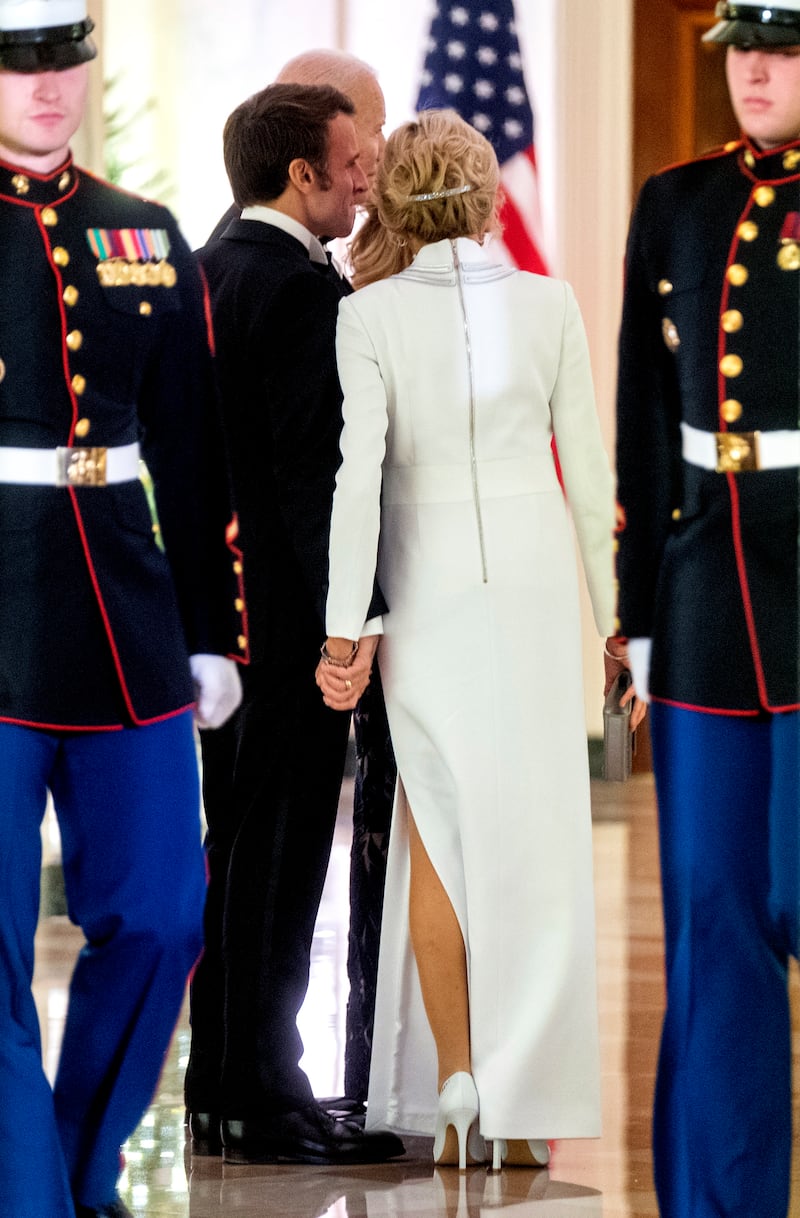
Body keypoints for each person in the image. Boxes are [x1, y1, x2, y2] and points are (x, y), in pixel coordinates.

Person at [317, 108, 616, 1171]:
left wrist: (341, 628)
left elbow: (358, 482)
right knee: (531, 841)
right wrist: (613, 615)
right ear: (488, 194)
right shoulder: (549, 304)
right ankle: (524, 1115)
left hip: (423, 589)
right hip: (534, 585)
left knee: (436, 835)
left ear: (393, 199)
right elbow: (587, 473)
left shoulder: (368, 316)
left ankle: (454, 1079)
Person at [0, 2, 245, 1216]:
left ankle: (68, 1170)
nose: (46, 88)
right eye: (16, 65)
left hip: (123, 620)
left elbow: (194, 457)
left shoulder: (140, 233)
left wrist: (212, 629)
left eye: (63, 61)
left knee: (158, 918)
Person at [183, 81, 402, 1167]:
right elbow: (314, 481)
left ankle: (220, 1085)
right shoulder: (297, 291)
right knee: (279, 862)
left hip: (223, 631)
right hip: (289, 635)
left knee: (238, 859)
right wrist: (345, 627)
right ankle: (269, 1097)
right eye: (350, 164)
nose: (365, 181)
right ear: (300, 175)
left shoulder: (205, 267)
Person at [615, 4, 800, 1215]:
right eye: (740, 48)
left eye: (779, 48)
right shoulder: (673, 203)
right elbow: (640, 417)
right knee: (713, 922)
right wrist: (634, 615)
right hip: (699, 598)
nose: (753, 70)